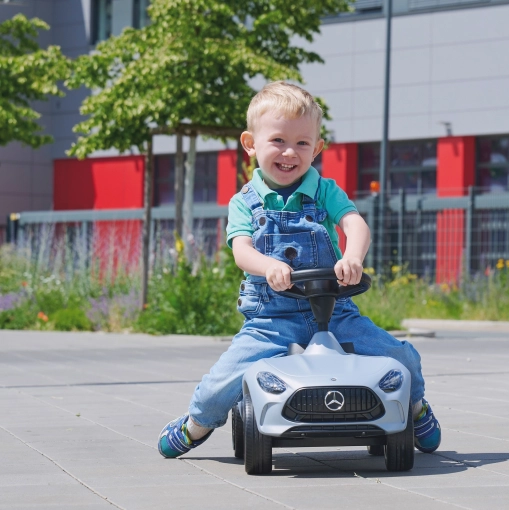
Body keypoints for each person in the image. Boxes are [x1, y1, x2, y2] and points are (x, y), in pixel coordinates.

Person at [158, 82, 441, 458]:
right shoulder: (245, 202)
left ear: (317, 148)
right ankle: (196, 424)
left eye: (302, 143)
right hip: (272, 318)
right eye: (278, 140)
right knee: (220, 382)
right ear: (251, 143)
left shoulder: (325, 191)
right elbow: (242, 250)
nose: (290, 152)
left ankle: (416, 408)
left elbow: (356, 224)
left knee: (400, 356)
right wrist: (268, 265)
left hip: (336, 312)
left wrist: (352, 256)